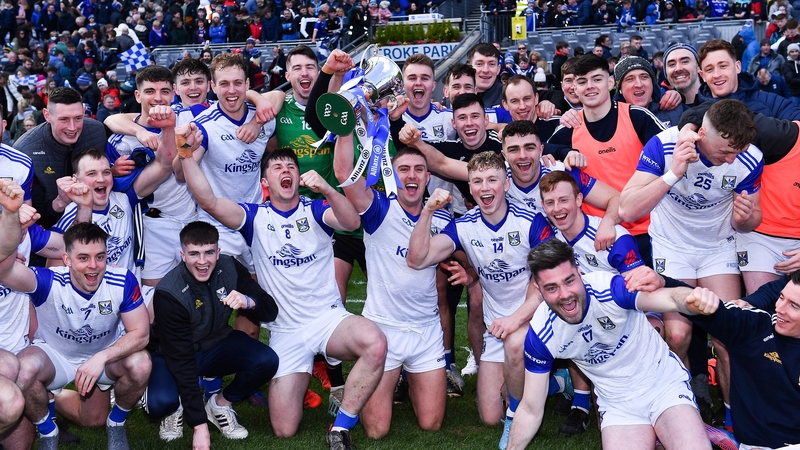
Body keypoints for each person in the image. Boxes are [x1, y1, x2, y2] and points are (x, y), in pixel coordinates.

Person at [179, 146, 387, 450]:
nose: (285, 171)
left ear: (299, 176)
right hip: (285, 331)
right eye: (277, 168)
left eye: (290, 167)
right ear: (265, 181)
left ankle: (341, 427)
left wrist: (328, 188)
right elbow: (208, 201)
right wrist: (186, 154)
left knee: (375, 342)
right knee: (284, 429)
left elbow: (353, 223)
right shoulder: (254, 216)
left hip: (327, 320)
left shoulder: (315, 209)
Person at [620, 99, 763, 430]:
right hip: (672, 246)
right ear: (701, 134)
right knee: (679, 335)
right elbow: (627, 209)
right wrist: (673, 173)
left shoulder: (749, 158)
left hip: (718, 248)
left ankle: (733, 419)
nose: (730, 159)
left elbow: (752, 218)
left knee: (728, 337)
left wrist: (745, 218)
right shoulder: (666, 144)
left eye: (735, 153)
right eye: (724, 150)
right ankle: (681, 414)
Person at [505, 239, 711, 450]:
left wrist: (693, 297)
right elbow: (530, 409)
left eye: (569, 281)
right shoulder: (541, 334)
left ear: (579, 273)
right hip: (617, 404)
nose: (565, 295)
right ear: (538, 288)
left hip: (662, 385)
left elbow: (670, 299)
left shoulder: (609, 289)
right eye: (551, 288)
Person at [407, 151, 554, 447]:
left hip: (533, 318)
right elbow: (417, 258)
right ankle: (546, 384)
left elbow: (545, 282)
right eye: (477, 182)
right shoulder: (465, 226)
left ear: (506, 184)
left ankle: (515, 412)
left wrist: (515, 320)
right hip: (496, 328)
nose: (485, 188)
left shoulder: (532, 222)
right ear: (471, 188)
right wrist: (427, 212)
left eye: (492, 180)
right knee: (488, 415)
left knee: (515, 346)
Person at [0, 196, 151, 450]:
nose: (93, 266)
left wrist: (101, 357)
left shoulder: (122, 280)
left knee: (141, 364)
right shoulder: (47, 280)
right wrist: (11, 215)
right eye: (83, 258)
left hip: (101, 358)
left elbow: (142, 334)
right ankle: (48, 431)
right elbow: (4, 270)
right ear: (67, 260)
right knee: (23, 370)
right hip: (56, 356)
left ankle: (116, 424)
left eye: (100, 257)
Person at [331, 128, 449, 439]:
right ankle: (366, 382)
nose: (412, 176)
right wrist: (345, 128)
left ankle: (410, 378)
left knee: (431, 423)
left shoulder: (444, 220)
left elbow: (472, 254)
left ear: (428, 178)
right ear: (391, 177)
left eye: (419, 170)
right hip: (383, 330)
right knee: (376, 431)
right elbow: (344, 172)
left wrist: (470, 274)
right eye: (404, 170)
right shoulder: (379, 209)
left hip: (426, 331)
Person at [143, 221, 280, 446]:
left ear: (218, 252)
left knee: (266, 360)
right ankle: (176, 406)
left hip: (217, 345)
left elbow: (270, 310)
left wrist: (248, 301)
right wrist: (199, 427)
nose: (203, 261)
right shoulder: (169, 292)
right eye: (194, 254)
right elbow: (182, 361)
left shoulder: (230, 268)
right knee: (160, 404)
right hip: (174, 355)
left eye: (209, 252)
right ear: (182, 255)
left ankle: (220, 404)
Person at [684, 272, 800, 449]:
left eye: (794, 306)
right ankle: (729, 420)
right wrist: (658, 281)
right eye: (781, 298)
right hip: (754, 443)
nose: (779, 308)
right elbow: (712, 310)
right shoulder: (756, 326)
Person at [15, 87, 107, 228]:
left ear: (84, 111)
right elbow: (35, 216)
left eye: (78, 118)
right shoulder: (25, 150)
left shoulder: (97, 131)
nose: (72, 127)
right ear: (47, 115)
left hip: (99, 220)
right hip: (49, 233)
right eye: (64, 119)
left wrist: (113, 170)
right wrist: (60, 202)